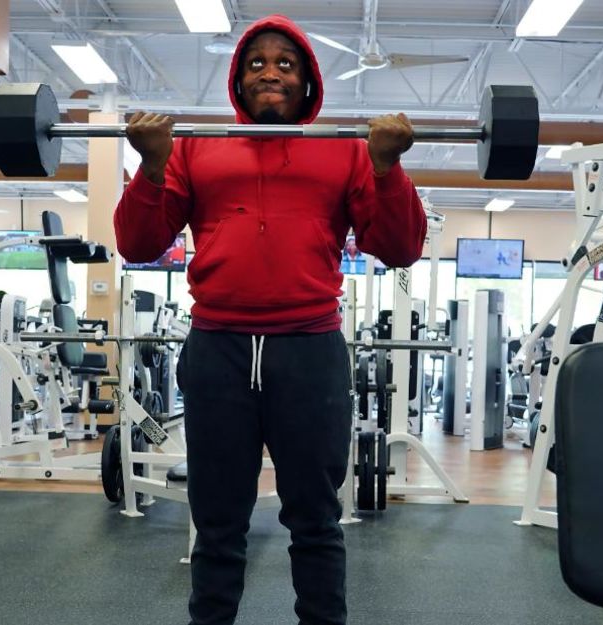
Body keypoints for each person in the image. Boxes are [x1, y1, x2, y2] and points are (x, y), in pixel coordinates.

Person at [114, 14, 426, 625]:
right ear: (237, 78)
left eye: (286, 63)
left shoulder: (344, 150)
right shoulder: (195, 147)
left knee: (314, 518)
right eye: (257, 62)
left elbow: (399, 249)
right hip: (217, 348)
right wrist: (152, 168)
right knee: (217, 518)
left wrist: (387, 169)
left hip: (308, 351)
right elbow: (138, 243)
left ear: (307, 83)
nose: (270, 72)